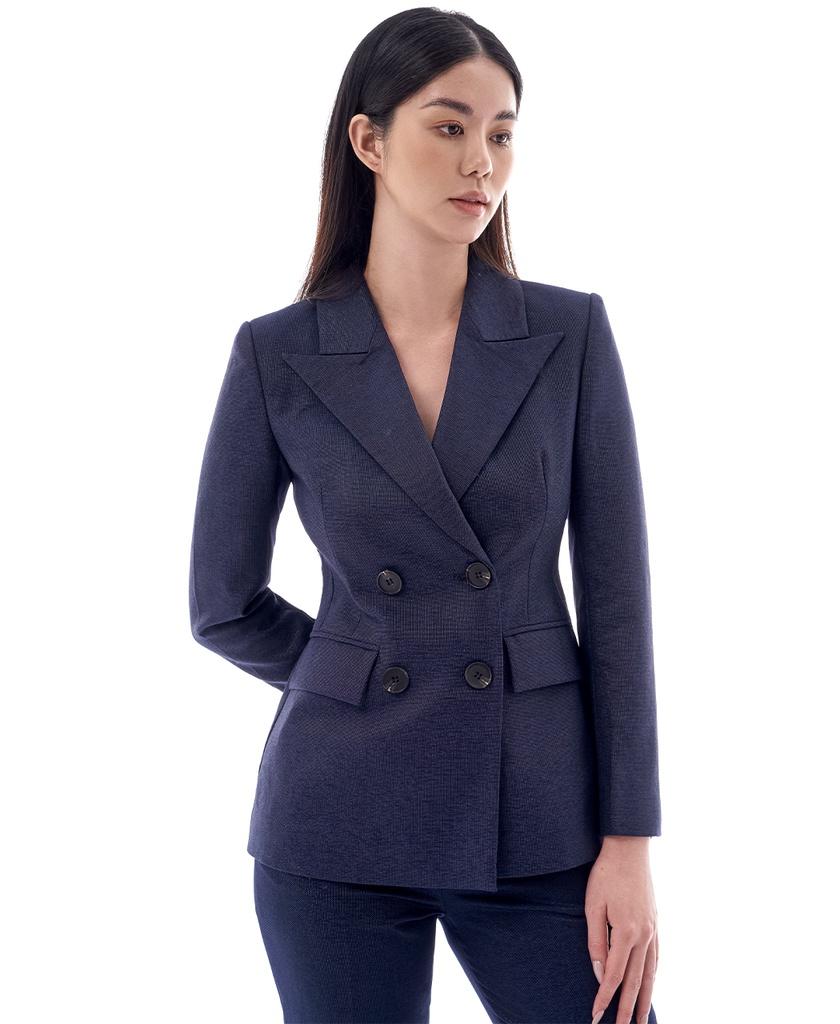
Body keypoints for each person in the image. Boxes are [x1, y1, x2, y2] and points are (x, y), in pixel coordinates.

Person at [189, 8, 662, 1023]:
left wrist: (630, 841)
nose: (481, 162)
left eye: (501, 133)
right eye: (449, 127)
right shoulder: (278, 354)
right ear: (368, 140)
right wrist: (361, 665)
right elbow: (220, 604)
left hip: (540, 812)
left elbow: (618, 606)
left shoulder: (567, 333)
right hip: (336, 819)